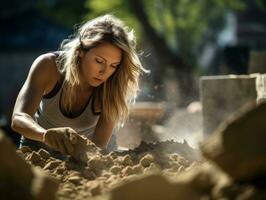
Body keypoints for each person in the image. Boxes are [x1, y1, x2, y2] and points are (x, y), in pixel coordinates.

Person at [11, 14, 147, 158]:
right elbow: (18, 118)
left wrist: (81, 157)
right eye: (99, 61)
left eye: (113, 65)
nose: (104, 72)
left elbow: (98, 147)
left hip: (89, 152)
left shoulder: (114, 85)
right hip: (39, 148)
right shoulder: (49, 66)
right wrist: (45, 135)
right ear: (80, 52)